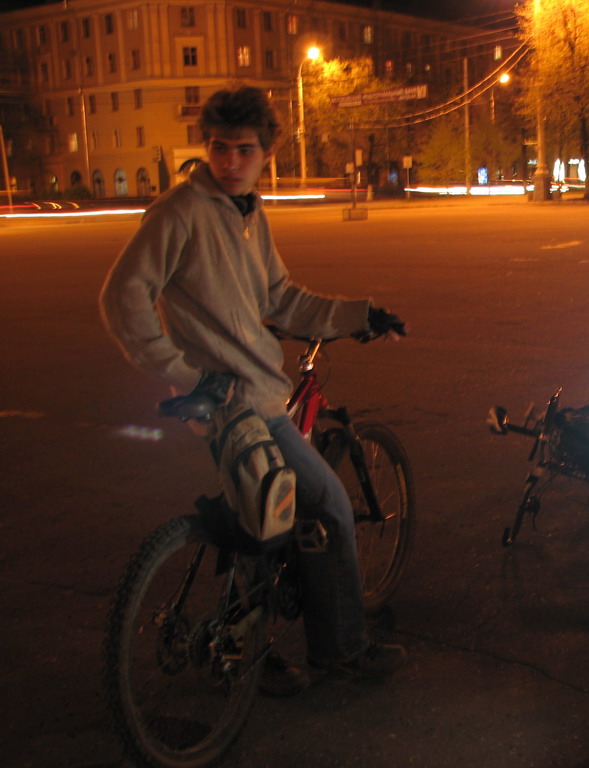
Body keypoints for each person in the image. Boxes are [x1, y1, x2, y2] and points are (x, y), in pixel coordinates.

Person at [99, 86, 407, 695]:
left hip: (257, 392)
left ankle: (246, 649)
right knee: (329, 504)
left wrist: (358, 314)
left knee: (266, 514)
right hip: (233, 402)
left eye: (244, 150)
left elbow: (280, 299)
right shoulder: (180, 212)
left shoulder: (248, 214)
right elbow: (122, 297)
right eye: (220, 147)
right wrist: (183, 372)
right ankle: (342, 650)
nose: (230, 161)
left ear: (266, 153)